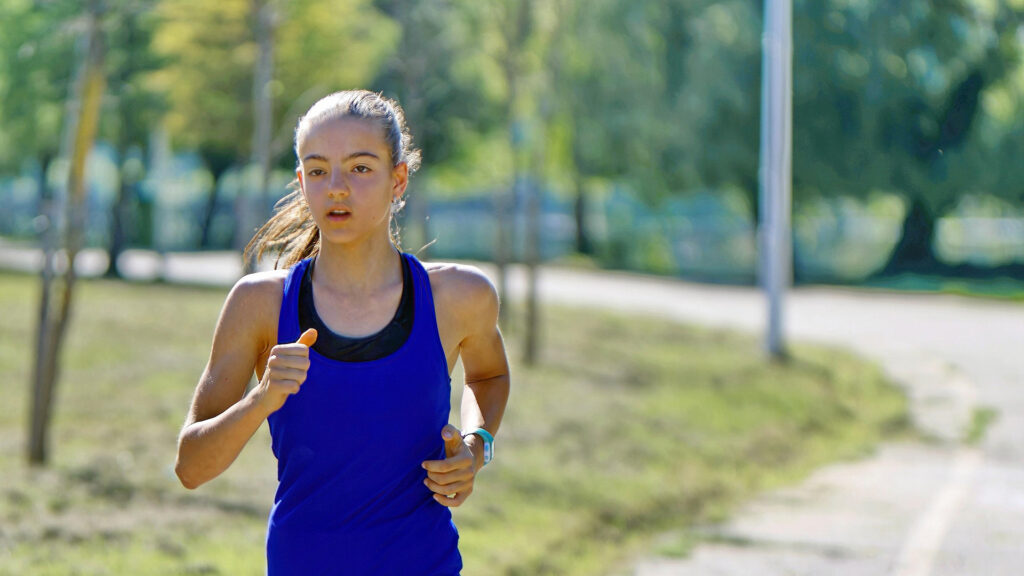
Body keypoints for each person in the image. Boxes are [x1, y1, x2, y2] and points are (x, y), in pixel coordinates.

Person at [174, 90, 510, 575]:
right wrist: (262, 399)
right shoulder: (260, 305)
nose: (335, 187)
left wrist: (478, 445)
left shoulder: (458, 297)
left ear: (398, 179)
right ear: (300, 181)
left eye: (359, 168)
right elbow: (190, 467)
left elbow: (490, 377)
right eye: (317, 170)